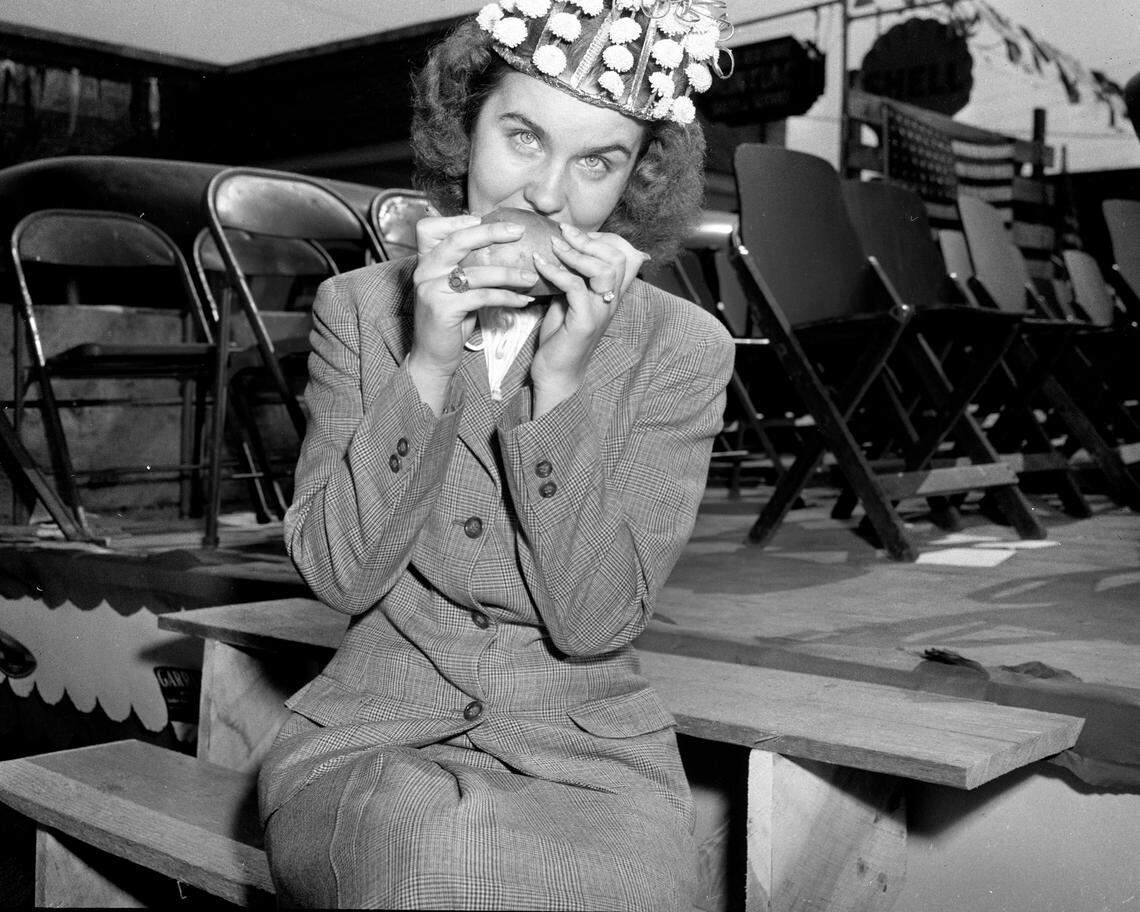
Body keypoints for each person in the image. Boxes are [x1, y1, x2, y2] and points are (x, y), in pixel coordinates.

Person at [258, 2, 736, 908]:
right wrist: (428, 363)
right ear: (463, 130)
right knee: (428, 868)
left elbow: (596, 624)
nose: (549, 196)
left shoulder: (682, 346)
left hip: (587, 758)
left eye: (597, 161)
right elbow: (338, 577)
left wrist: (560, 386)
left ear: (636, 180)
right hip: (370, 734)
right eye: (523, 137)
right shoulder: (359, 310)